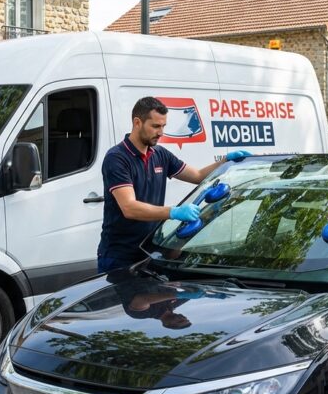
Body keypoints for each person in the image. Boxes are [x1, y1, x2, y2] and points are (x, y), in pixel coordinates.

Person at [97, 97, 249, 273]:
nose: (161, 132)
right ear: (137, 122)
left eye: (163, 126)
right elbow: (129, 208)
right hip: (120, 255)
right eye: (155, 126)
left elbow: (198, 176)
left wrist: (225, 162)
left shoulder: (160, 154)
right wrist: (173, 212)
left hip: (150, 249)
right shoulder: (117, 158)